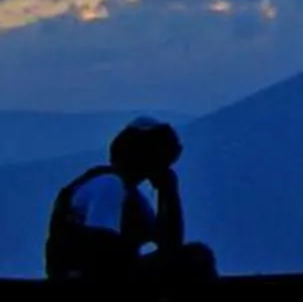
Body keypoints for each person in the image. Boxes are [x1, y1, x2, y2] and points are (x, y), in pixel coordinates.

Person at [44, 116, 213, 283]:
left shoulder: (131, 195)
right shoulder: (109, 184)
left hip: (109, 274)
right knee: (197, 257)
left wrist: (168, 194)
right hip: (84, 279)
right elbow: (101, 246)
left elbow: (169, 247)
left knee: (195, 257)